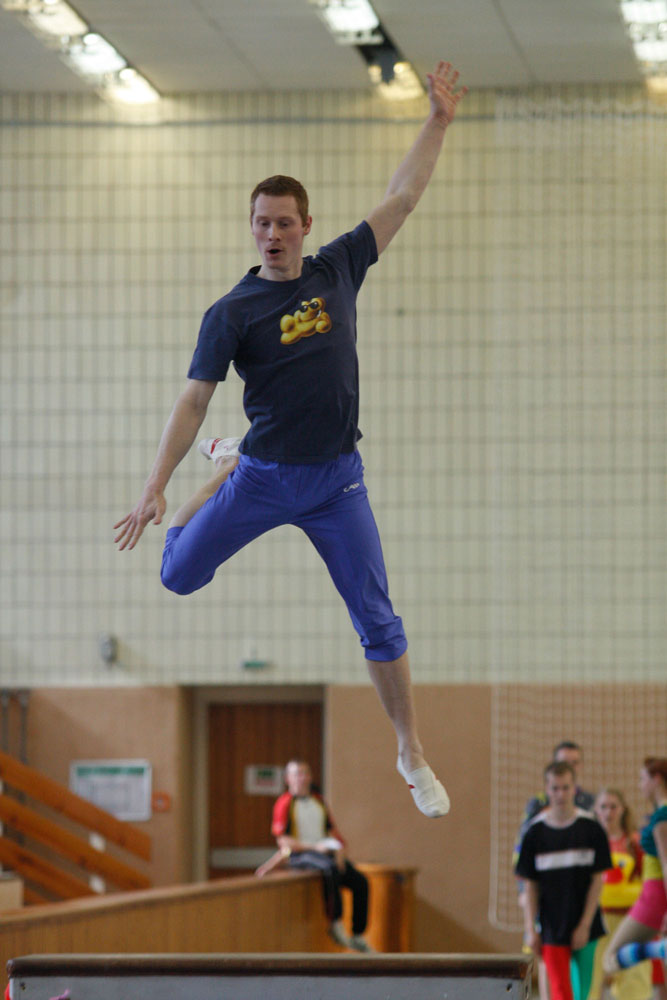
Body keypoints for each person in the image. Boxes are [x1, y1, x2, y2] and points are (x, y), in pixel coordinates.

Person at [114, 61, 467, 819]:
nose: (272, 234)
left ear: (305, 226)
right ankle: (227, 466)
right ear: (251, 230)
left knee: (378, 620)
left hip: (337, 482)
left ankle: (410, 750)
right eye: (261, 223)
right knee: (176, 575)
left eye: (283, 222)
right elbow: (193, 399)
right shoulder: (232, 313)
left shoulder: (338, 268)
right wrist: (154, 486)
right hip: (265, 478)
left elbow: (401, 197)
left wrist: (436, 121)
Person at [516, 760, 612, 1000]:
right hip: (550, 926)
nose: (560, 794)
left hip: (586, 924)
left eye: (565, 787)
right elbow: (530, 886)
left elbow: (597, 881)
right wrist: (530, 929)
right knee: (560, 992)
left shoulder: (591, 829)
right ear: (546, 789)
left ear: (574, 789)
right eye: (555, 788)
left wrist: (585, 925)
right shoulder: (534, 833)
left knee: (585, 993)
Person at [256, 758, 372, 952]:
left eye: (305, 773)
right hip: (301, 854)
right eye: (297, 774)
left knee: (360, 881)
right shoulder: (284, 803)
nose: (302, 778)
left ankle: (358, 934)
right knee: (329, 869)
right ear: (288, 778)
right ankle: (335, 922)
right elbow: (283, 840)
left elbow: (332, 832)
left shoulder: (319, 801)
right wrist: (314, 847)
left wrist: (339, 849)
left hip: (325, 851)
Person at [603, 758, 667, 997]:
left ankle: (659, 949)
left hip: (655, 897)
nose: (640, 785)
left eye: (642, 779)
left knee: (610, 959)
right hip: (655, 896)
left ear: (656, 779)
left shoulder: (662, 817)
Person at [589, 787, 651, 1000]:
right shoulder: (589, 843)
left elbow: (649, 880)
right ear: (596, 810)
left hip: (630, 920)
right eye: (603, 807)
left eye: (613, 807)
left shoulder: (635, 843)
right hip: (597, 919)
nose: (609, 812)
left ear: (623, 809)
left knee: (634, 977)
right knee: (592, 977)